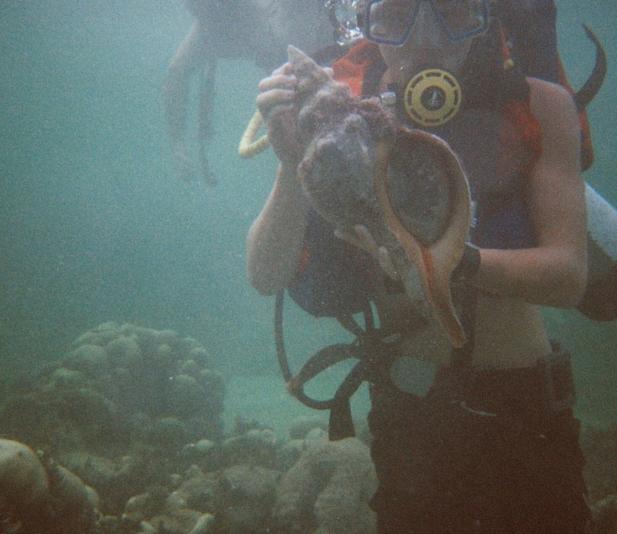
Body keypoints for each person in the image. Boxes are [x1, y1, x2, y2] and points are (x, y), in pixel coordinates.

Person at [247, 0, 591, 531]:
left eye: (451, 13)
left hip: (523, 409)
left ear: (486, 16)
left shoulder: (538, 104)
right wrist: (294, 162)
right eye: (396, 15)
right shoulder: (342, 119)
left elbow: (567, 275)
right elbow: (266, 273)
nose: (423, 39)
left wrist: (446, 262)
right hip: (407, 416)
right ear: (363, 23)